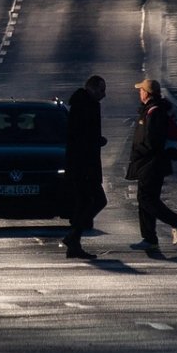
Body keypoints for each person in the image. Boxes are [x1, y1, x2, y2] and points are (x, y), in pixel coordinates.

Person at [125, 79, 177, 252]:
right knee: (145, 199)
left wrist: (139, 150)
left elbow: (152, 141)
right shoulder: (150, 110)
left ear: (147, 93)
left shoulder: (154, 112)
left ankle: (176, 221)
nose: (139, 92)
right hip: (148, 162)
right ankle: (149, 238)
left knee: (146, 199)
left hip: (151, 163)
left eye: (141, 90)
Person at [61, 75, 108, 260]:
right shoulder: (85, 106)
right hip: (84, 166)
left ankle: (74, 243)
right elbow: (81, 137)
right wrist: (97, 141)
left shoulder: (84, 104)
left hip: (82, 164)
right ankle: (73, 236)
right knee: (97, 200)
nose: (104, 94)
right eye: (101, 90)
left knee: (84, 203)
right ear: (92, 89)